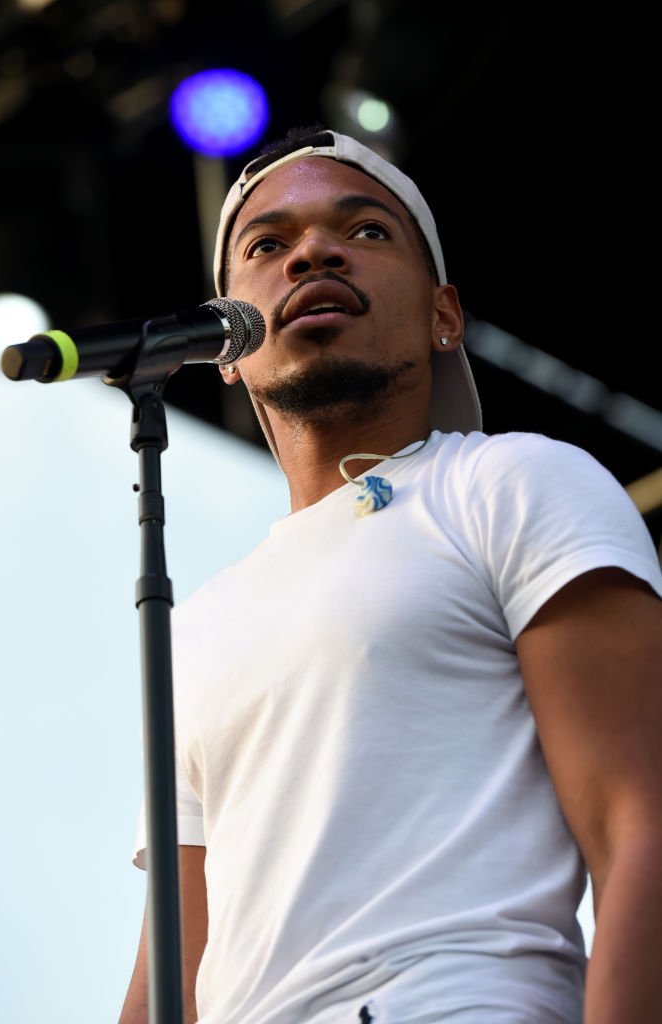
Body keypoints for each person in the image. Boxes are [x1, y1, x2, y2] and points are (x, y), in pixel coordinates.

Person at [119, 125, 662, 1024]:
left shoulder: (509, 481)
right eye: (267, 245)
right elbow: (169, 970)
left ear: (445, 314)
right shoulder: (202, 619)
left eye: (365, 231)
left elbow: (639, 826)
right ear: (226, 338)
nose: (314, 253)